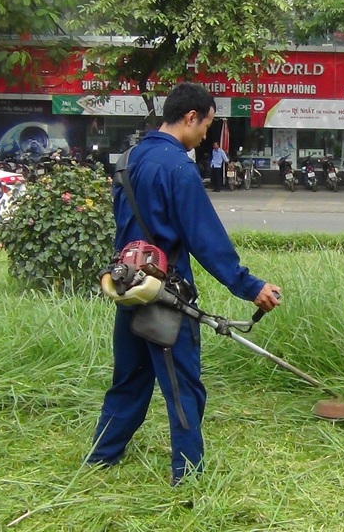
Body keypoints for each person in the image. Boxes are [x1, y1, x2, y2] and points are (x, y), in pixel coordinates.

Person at [87, 82, 281, 485]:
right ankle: (188, 476)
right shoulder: (177, 167)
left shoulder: (129, 158)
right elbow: (204, 238)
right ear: (190, 117)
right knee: (182, 387)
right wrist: (249, 286)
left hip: (128, 286)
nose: (205, 136)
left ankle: (100, 458)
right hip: (165, 295)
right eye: (206, 126)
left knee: (129, 378)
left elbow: (122, 226)